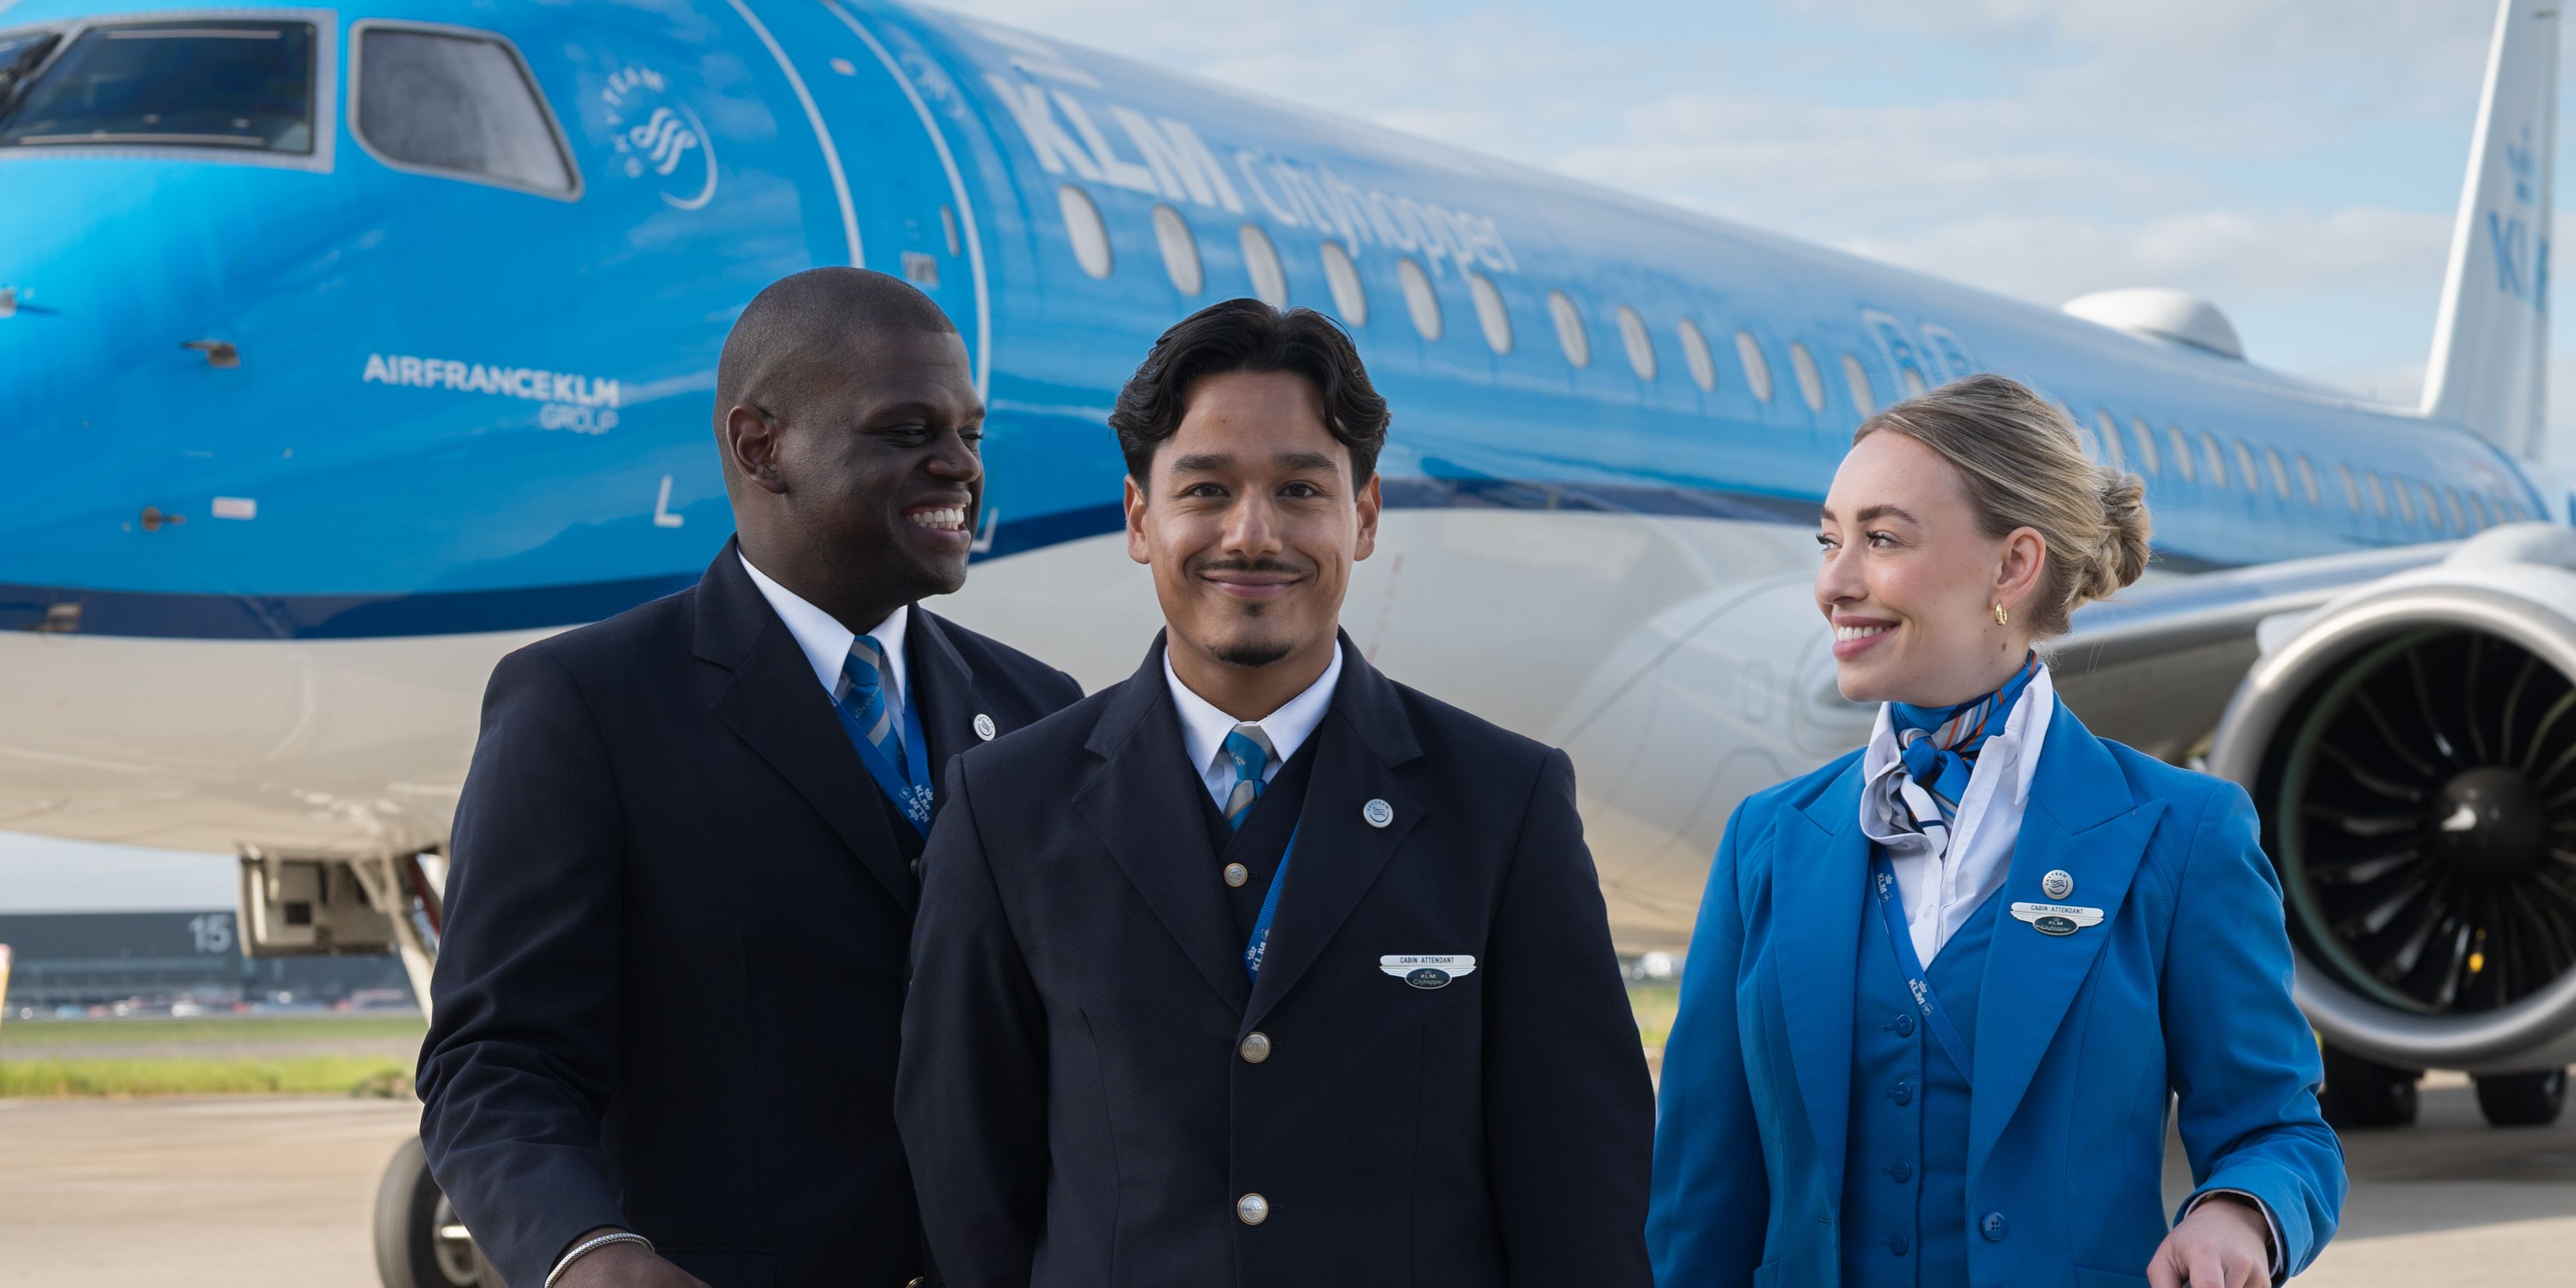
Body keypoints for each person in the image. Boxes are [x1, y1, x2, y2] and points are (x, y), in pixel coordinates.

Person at [894, 298, 1654, 1287]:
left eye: (1300, 490)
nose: (1252, 536)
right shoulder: (1005, 809)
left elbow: (1583, 1201)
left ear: (1364, 516)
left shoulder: (1506, 805)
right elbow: (968, 1191)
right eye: (1206, 490)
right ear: (1140, 518)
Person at [416, 268, 1083, 1288]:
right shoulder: (585, 705)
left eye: (970, 434)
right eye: (909, 431)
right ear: (761, 446)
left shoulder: (1041, 709)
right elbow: (496, 1064)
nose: (960, 465)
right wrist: (584, 1253)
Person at [1646, 374, 2345, 1288]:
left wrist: (2239, 1212)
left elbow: (2279, 1131)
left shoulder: (2183, 833)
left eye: (1882, 539)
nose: (1833, 583)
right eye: (1829, 540)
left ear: (2013, 567)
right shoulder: (1766, 842)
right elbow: (1701, 1199)